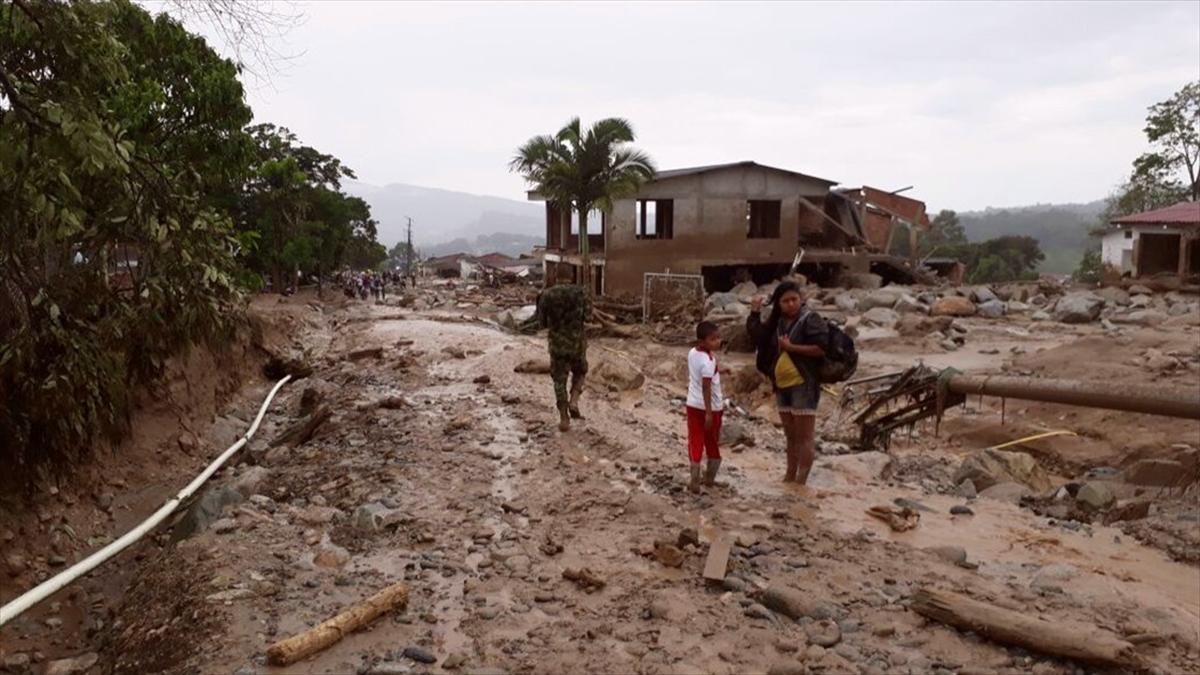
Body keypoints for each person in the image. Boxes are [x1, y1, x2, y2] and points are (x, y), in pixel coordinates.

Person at [747, 281, 827, 484]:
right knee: (790, 435)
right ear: (778, 304)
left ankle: (801, 482)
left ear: (801, 300)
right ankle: (789, 477)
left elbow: (820, 348)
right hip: (782, 385)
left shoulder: (811, 319)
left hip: (804, 384)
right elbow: (758, 337)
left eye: (794, 299)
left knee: (805, 437)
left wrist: (791, 348)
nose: (791, 304)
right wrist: (755, 312)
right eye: (786, 301)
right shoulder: (778, 322)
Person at [536, 282, 590, 431]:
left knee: (559, 380)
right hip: (577, 344)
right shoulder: (581, 292)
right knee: (580, 371)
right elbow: (589, 317)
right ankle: (574, 401)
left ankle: (564, 417)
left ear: (556, 276)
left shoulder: (547, 294)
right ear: (571, 276)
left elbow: (541, 323)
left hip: (557, 345)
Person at [686, 321, 724, 493]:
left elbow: (703, 374)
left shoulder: (693, 353)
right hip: (712, 407)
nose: (718, 342)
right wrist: (709, 412)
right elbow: (706, 386)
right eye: (713, 339)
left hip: (693, 404)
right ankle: (709, 478)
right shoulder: (708, 360)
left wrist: (721, 371)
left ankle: (694, 478)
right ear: (703, 342)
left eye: (718, 338)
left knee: (695, 439)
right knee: (712, 441)